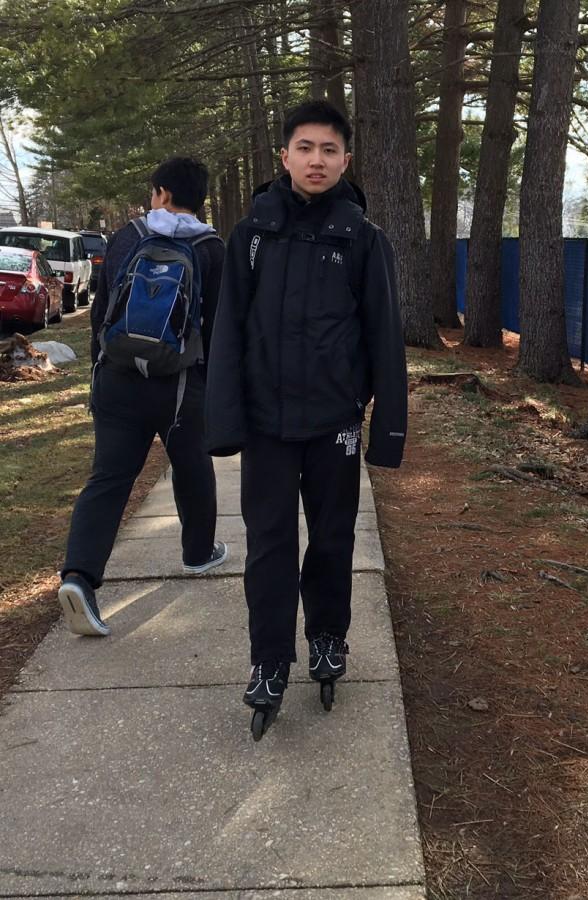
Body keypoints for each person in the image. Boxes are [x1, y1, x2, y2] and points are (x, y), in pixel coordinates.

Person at [205, 100, 408, 739]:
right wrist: (225, 423)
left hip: (334, 425)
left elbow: (384, 337)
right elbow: (227, 335)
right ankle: (269, 659)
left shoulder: (362, 239)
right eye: (305, 148)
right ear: (285, 156)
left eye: (329, 150)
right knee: (268, 546)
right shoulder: (252, 236)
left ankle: (327, 639)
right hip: (267, 426)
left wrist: (388, 431)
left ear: (346, 160)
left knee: (331, 541)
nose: (316, 160)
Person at [58, 156, 227, 637]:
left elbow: (102, 311)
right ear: (201, 198)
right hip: (179, 387)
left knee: (108, 478)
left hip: (117, 378)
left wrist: (100, 366)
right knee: (193, 465)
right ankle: (198, 553)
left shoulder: (127, 237)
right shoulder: (213, 248)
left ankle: (79, 577)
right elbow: (215, 326)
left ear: (160, 192)